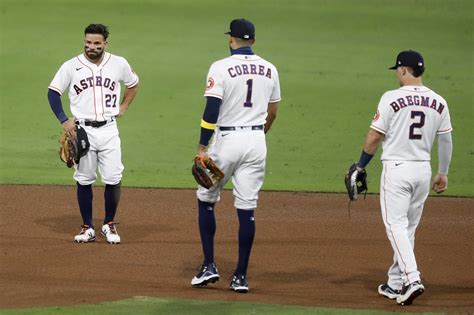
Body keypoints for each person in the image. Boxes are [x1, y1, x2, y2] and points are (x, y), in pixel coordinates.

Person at [350, 50, 452, 305]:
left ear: (404, 70)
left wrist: (361, 165)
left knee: (395, 226)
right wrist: (443, 172)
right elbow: (446, 139)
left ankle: (412, 279)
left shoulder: (391, 98)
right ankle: (395, 282)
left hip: (397, 170)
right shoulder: (439, 101)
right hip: (423, 170)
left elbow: (375, 136)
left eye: (397, 69)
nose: (397, 73)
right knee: (408, 228)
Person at [190, 19, 281, 293]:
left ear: (231, 39)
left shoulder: (221, 67)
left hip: (226, 140)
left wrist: (203, 147)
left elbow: (211, 110)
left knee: (206, 199)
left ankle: (209, 266)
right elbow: (273, 111)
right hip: (256, 141)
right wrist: (258, 135)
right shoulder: (270, 69)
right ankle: (241, 276)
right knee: (247, 208)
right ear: (252, 40)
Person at [47, 24, 139, 244]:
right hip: (83, 131)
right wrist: (64, 120)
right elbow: (53, 92)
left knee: (113, 177)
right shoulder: (71, 66)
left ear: (105, 43)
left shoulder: (119, 63)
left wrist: (123, 106)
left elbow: (133, 84)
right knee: (84, 178)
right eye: (88, 42)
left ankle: (109, 224)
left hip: (109, 129)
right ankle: (88, 226)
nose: (92, 47)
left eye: (97, 43)